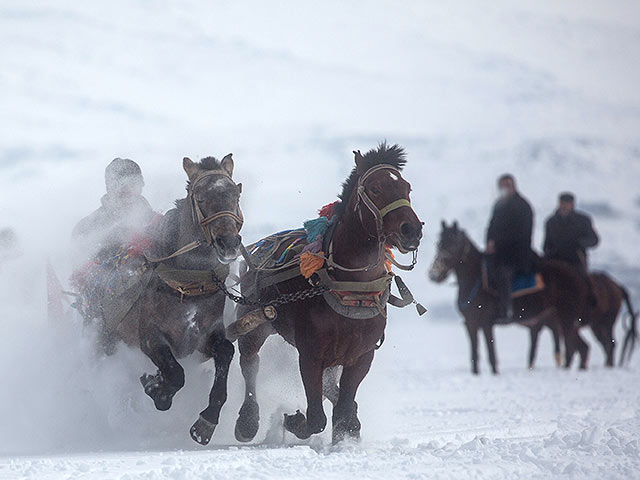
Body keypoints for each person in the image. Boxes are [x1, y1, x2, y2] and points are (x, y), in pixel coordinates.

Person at [73, 158, 155, 259]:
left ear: (141, 184)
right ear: (108, 187)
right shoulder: (85, 229)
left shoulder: (158, 224)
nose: (125, 189)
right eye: (117, 184)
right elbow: (79, 268)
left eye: (131, 182)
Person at [486, 174, 534, 321]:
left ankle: (506, 311)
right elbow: (491, 227)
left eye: (507, 185)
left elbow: (522, 233)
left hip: (516, 256)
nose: (504, 189)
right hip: (498, 254)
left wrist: (497, 243)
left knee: (502, 274)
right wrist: (489, 242)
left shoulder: (522, 206)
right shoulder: (499, 205)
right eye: (502, 186)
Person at [543, 192, 599, 271]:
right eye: (562, 203)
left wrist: (579, 243)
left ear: (573, 204)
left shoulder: (583, 221)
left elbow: (594, 240)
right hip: (555, 263)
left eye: (567, 204)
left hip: (576, 263)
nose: (564, 206)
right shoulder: (551, 222)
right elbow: (546, 246)